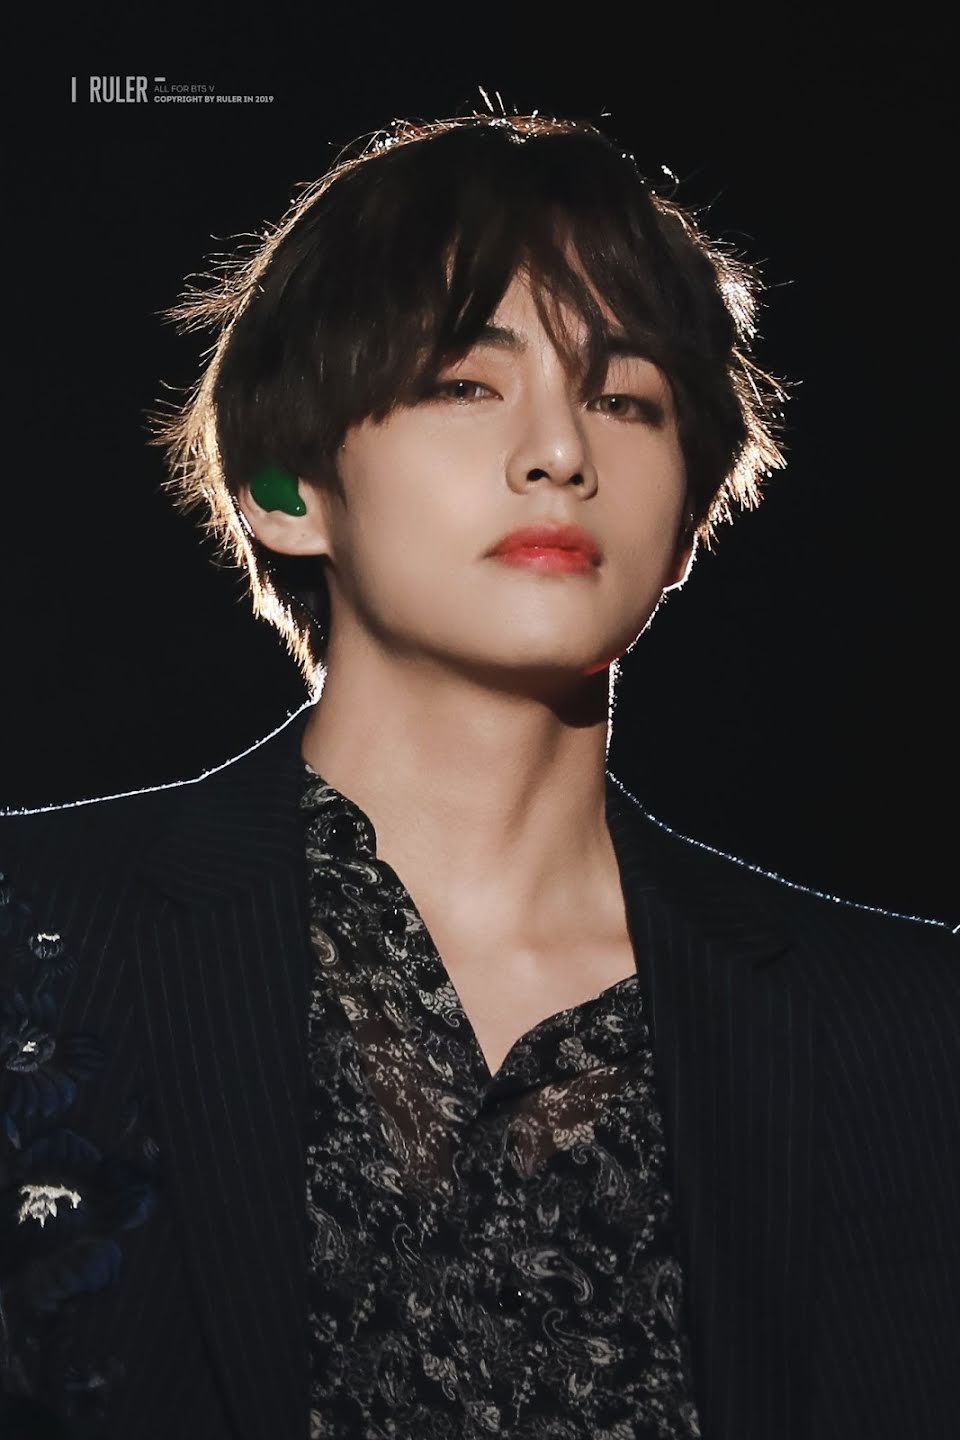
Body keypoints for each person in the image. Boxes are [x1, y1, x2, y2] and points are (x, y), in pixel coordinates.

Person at [1, 111, 956, 1440]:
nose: (560, 454)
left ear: (688, 522)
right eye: (464, 383)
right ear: (285, 487)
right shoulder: (32, 933)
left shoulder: (914, 1035)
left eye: (625, 401)